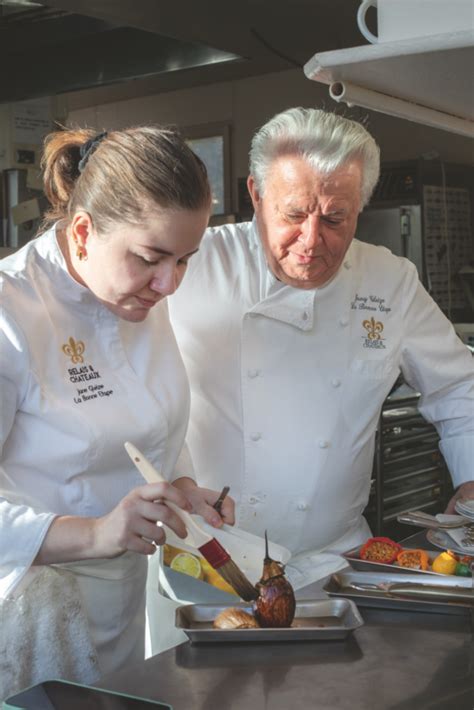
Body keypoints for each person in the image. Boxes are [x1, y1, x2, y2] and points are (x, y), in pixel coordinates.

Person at [169, 107, 474, 566]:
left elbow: (458, 386)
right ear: (256, 193)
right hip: (209, 557)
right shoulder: (189, 265)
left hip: (339, 560)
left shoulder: (389, 281)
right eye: (294, 214)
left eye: (335, 219)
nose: (311, 240)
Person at [0, 125, 233, 697]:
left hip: (120, 616)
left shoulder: (136, 296)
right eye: (153, 258)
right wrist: (99, 531)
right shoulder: (11, 313)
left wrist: (178, 485)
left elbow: (152, 425)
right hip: (25, 620)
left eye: (184, 260)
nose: (169, 284)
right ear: (83, 232)